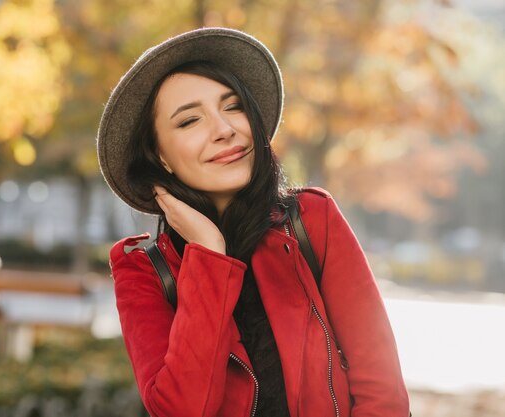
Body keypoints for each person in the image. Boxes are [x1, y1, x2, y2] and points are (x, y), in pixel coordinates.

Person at [97, 27, 410, 417]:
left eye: (232, 106)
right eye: (190, 121)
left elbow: (382, 392)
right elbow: (183, 410)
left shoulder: (312, 221)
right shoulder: (142, 269)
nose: (225, 129)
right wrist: (208, 254)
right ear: (159, 156)